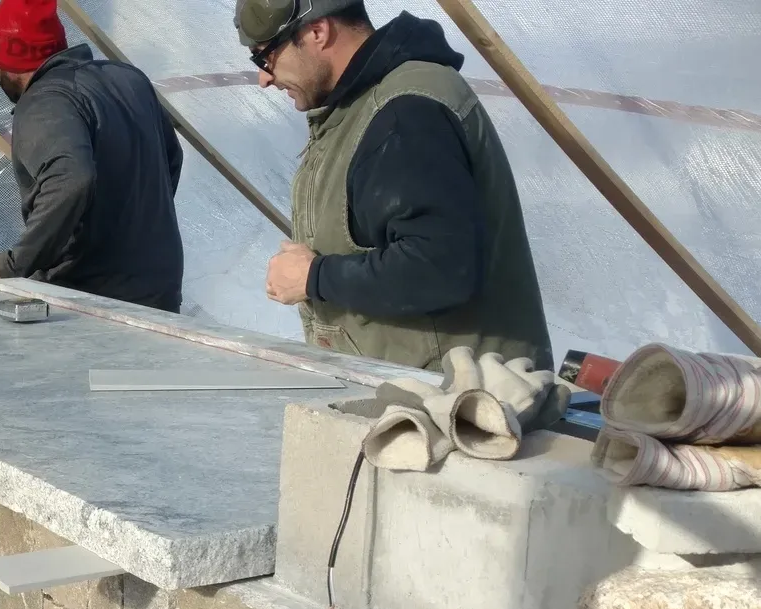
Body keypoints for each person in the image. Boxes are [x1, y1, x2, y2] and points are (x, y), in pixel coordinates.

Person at [237, 0, 552, 369]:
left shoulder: (404, 112)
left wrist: (313, 276)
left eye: (264, 58)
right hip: (425, 395)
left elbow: (438, 267)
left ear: (317, 32)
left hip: (458, 404)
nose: (264, 79)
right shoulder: (360, 109)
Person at [0, 0, 186, 312]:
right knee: (143, 364)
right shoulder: (129, 79)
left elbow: (71, 179)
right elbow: (171, 157)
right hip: (160, 289)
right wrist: (132, 229)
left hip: (94, 299)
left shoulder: (43, 101)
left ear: (8, 59)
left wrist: (12, 264)